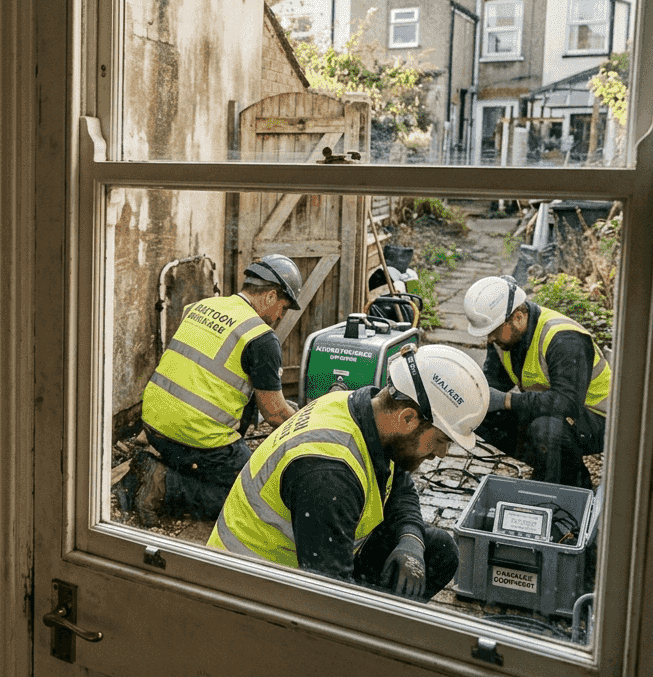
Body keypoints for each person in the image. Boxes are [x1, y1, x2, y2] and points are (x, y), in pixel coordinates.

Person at [207, 344, 489, 603]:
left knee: (438, 551)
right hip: (255, 593)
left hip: (309, 563)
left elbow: (399, 484)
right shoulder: (330, 477)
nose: (441, 453)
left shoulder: (366, 412)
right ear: (407, 418)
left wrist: (410, 540)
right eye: (440, 440)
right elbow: (331, 601)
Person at [125, 254, 304, 527]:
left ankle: (152, 473)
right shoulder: (261, 337)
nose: (281, 316)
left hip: (153, 426)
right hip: (194, 440)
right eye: (284, 307)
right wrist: (305, 424)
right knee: (256, 497)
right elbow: (275, 414)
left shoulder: (200, 306)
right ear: (270, 296)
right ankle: (165, 485)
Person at [463, 275, 611, 488]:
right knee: (480, 413)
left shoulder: (564, 339)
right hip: (556, 411)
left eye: (493, 331)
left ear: (518, 317)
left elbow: (567, 403)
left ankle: (576, 487)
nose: (490, 339)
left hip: (599, 419)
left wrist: (507, 401)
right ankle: (551, 468)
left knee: (546, 429)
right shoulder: (505, 337)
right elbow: (493, 383)